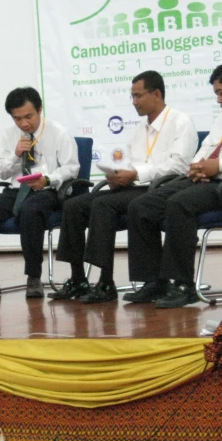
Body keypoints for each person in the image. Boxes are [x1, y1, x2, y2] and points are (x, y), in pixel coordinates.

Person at [125, 60, 222, 308]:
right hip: (212, 183)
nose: (218, 100)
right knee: (142, 204)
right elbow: (206, 148)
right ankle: (154, 282)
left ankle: (182, 284)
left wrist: (218, 166)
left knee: (180, 204)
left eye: (220, 93)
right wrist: (198, 166)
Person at [50, 71, 198, 303]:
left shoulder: (180, 122)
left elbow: (179, 166)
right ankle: (78, 278)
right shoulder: (141, 128)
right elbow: (132, 162)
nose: (134, 102)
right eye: (132, 96)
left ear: (157, 94)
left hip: (163, 189)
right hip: (135, 186)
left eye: (138, 96)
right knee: (74, 205)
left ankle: (106, 281)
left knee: (102, 204)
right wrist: (118, 176)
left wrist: (136, 174)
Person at [0, 87, 80, 299]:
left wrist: (48, 179)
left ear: (40, 109)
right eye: (17, 118)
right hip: (17, 189)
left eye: (29, 116)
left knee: (30, 211)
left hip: (47, 190)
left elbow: (72, 168)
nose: (24, 123)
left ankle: (33, 277)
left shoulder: (58, 132)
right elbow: (1, 171)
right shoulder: (9, 135)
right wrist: (16, 155)